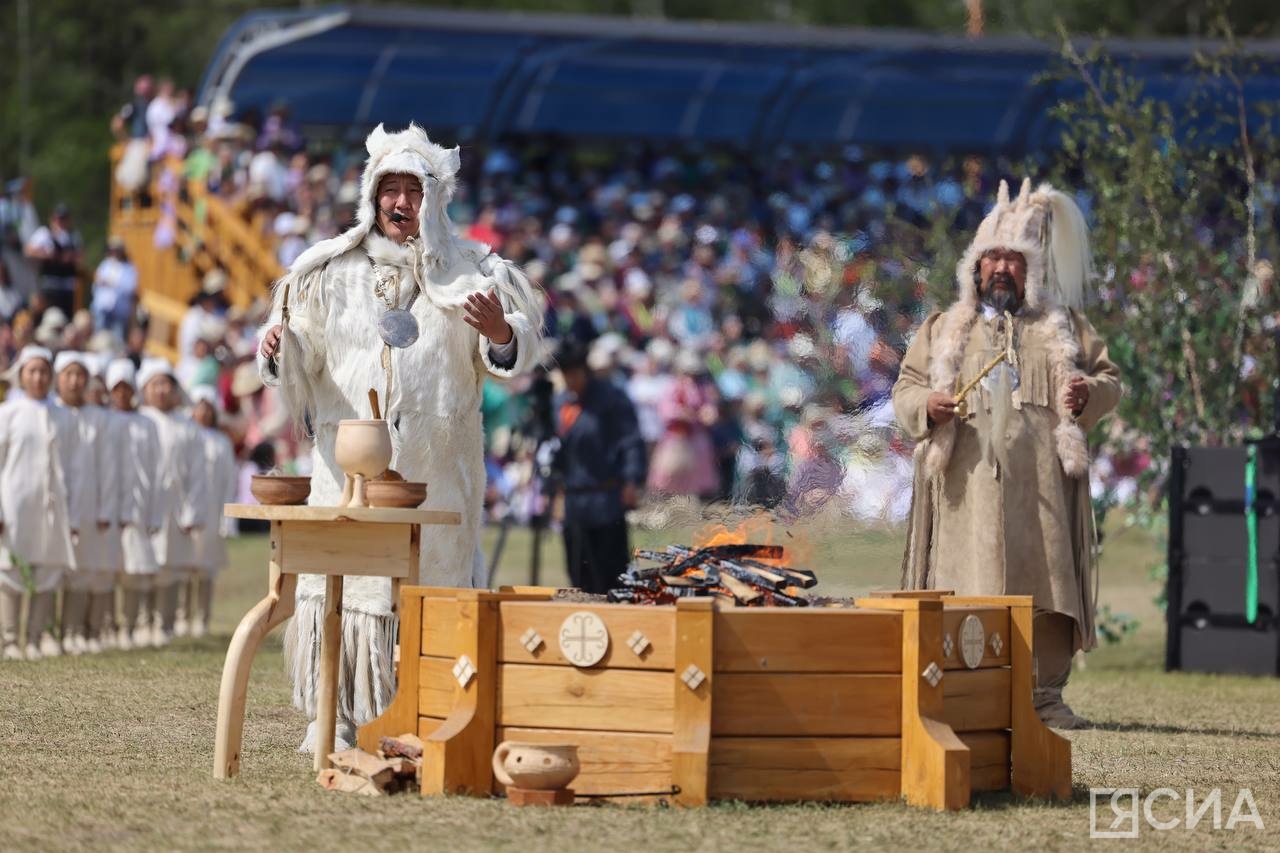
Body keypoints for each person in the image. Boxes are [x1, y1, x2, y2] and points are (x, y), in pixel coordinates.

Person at [256, 123, 543, 751]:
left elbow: (516, 350)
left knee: (432, 590)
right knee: (343, 588)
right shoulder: (327, 271)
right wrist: (281, 345)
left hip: (435, 474)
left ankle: (432, 709)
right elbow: (296, 346)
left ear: (434, 199)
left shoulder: (474, 271)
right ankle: (333, 713)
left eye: (413, 190)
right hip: (347, 471)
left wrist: (499, 331)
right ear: (370, 196)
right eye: (389, 189)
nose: (400, 202)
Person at [892, 179, 1122, 729]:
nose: (1001, 268)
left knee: (1046, 588)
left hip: (1040, 492)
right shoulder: (945, 329)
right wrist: (929, 403)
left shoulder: (1064, 328)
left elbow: (1110, 379)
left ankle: (1045, 699)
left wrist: (1089, 392)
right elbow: (904, 390)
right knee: (963, 590)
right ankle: (964, 697)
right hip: (964, 495)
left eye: (1013, 259)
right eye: (991, 257)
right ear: (974, 267)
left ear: (1032, 269)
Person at [0, 347, 78, 660]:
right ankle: (9, 639)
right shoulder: (8, 412)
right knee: (10, 567)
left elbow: (73, 466)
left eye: (44, 371)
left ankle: (35, 637)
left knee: (47, 567)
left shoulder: (62, 415)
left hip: (51, 506)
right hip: (15, 503)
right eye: (32, 370)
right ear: (22, 375)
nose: (38, 377)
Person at [552, 340, 647, 594]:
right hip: (574, 501)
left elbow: (631, 441)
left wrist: (631, 479)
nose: (570, 380)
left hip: (606, 498)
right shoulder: (561, 403)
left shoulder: (611, 399)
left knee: (611, 572)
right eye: (565, 374)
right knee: (578, 573)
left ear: (585, 370)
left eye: (574, 373)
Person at [138, 358, 206, 647]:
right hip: (144, 507)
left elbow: (197, 474)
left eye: (166, 384)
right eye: (156, 384)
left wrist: (192, 512)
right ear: (145, 389)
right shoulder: (139, 421)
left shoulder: (187, 427)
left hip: (175, 507)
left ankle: (164, 623)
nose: (162, 390)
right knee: (142, 565)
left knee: (170, 566)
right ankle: (140, 622)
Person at [54, 351, 118, 655]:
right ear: (59, 378)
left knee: (86, 568)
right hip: (55, 506)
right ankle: (46, 632)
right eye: (69, 374)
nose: (75, 381)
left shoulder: (99, 419)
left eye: (81, 375)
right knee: (53, 570)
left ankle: (76, 631)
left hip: (90, 506)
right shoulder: (50, 413)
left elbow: (108, 468)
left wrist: (106, 508)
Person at [106, 358, 162, 649]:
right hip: (107, 509)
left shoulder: (146, 425)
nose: (122, 394)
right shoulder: (104, 421)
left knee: (134, 571)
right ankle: (106, 626)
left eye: (127, 388)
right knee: (107, 571)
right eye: (117, 388)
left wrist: (153, 513)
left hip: (137, 509)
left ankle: (129, 625)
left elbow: (154, 471)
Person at [186, 386, 237, 639]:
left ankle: (202, 618)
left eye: (208, 407)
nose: (203, 412)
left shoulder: (221, 442)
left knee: (206, 569)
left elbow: (229, 480)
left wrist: (227, 519)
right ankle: (182, 616)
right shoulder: (186, 436)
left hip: (213, 511)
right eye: (199, 406)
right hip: (188, 514)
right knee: (185, 566)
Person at [24, 204, 82, 317]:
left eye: (63, 218)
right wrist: (47, 255)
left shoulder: (73, 235)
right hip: (49, 283)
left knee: (66, 316)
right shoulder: (44, 233)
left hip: (67, 285)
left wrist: (70, 257)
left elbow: (81, 256)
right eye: (58, 218)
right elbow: (29, 250)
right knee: (47, 315)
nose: (60, 222)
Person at [90, 236, 139, 337]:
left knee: (117, 340)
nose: (114, 253)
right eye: (112, 250)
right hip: (103, 309)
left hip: (119, 311)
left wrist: (112, 283)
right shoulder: (105, 265)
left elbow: (130, 288)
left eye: (116, 250)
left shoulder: (129, 268)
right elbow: (96, 285)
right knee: (100, 337)